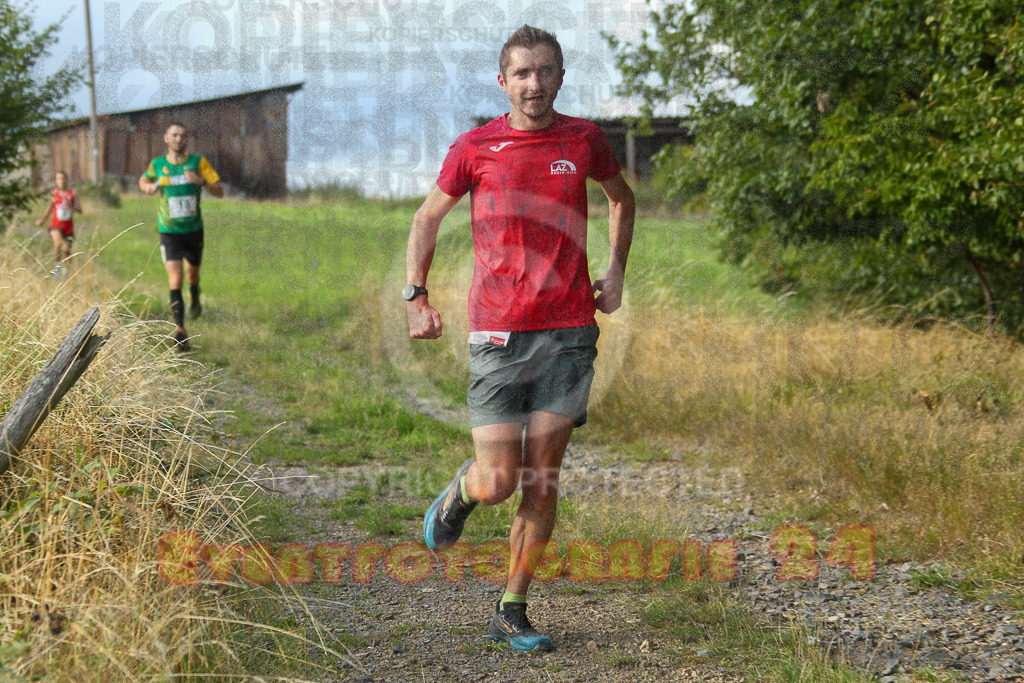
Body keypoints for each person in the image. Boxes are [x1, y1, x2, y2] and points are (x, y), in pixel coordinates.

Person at [407, 25, 635, 652]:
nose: (534, 84)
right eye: (522, 73)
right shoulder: (476, 146)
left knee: (542, 479)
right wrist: (416, 295)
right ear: (502, 81)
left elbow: (621, 198)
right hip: (498, 333)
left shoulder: (584, 139)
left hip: (568, 333)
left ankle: (512, 606)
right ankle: (463, 490)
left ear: (560, 77)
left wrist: (614, 273)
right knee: (500, 480)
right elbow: (428, 216)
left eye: (546, 71)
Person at [139, 122, 223, 351]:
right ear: (166, 137)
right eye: (174, 135)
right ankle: (180, 329)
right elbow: (144, 180)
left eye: (183, 136)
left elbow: (220, 191)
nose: (178, 139)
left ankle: (194, 295)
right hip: (169, 231)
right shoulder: (158, 164)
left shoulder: (199, 163)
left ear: (187, 140)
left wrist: (201, 181)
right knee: (175, 278)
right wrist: (147, 188)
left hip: (193, 230)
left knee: (191, 274)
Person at [36, 170, 82, 277]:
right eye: (59, 179)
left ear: (67, 180)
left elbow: (80, 209)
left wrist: (70, 206)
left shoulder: (73, 194)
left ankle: (66, 273)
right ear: (56, 181)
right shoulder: (54, 194)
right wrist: (42, 220)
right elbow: (49, 208)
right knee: (58, 244)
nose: (61, 181)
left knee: (66, 250)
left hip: (68, 227)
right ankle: (56, 269)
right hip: (55, 225)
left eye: (63, 178)